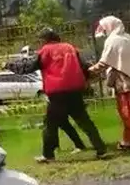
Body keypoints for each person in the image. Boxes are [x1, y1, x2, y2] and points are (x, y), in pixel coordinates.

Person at [6, 28, 106, 163]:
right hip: (75, 89)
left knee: (50, 125)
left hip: (57, 91)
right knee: (84, 121)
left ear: (44, 40)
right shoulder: (70, 48)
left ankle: (48, 155)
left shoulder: (45, 51)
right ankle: (101, 150)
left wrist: (8, 65)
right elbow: (83, 67)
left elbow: (27, 67)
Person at [89, 15, 130, 152]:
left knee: (129, 113)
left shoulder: (113, 41)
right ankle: (128, 141)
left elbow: (104, 62)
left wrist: (88, 71)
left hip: (123, 83)